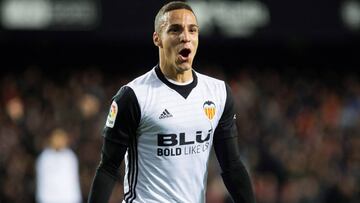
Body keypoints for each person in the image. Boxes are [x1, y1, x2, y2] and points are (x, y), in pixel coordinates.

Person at [88, 1, 256, 203]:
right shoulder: (134, 96)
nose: (185, 36)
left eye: (192, 30)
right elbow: (107, 168)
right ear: (157, 38)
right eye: (175, 30)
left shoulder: (218, 93)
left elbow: (232, 166)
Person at [36, 128, 82, 203]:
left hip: (68, 199)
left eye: (61, 138)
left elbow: (72, 182)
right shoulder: (44, 158)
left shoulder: (70, 157)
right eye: (56, 138)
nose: (59, 141)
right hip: (48, 199)